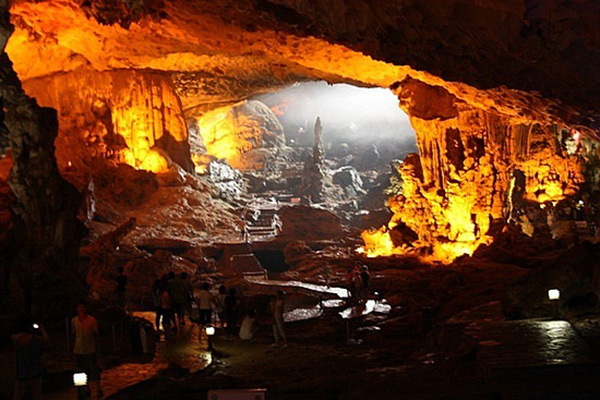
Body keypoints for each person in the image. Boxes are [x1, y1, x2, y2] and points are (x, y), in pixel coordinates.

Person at [12, 317, 48, 400]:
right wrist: (42, 329)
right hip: (34, 365)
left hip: (21, 367)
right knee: (37, 392)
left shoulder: (14, 338)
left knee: (18, 393)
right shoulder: (34, 338)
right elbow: (46, 340)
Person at [72, 301, 102, 399]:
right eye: (79, 307)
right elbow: (74, 334)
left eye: (82, 307)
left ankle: (98, 388)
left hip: (90, 349)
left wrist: (97, 348)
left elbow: (96, 334)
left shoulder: (92, 320)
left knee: (93, 369)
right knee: (82, 370)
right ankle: (86, 388)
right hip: (79, 349)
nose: (81, 310)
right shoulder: (74, 321)